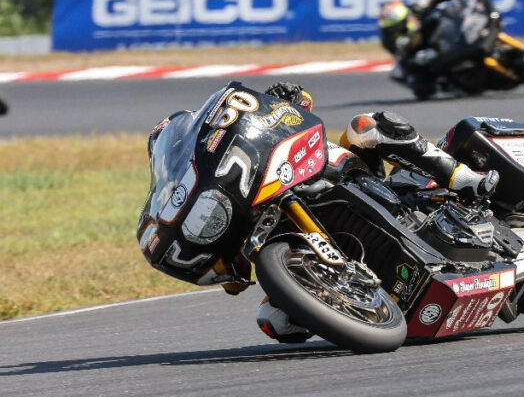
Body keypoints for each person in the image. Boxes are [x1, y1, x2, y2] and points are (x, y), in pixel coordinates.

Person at [146, 81, 499, 343]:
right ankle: (364, 301)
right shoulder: (197, 193)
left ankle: (463, 177)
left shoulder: (234, 136)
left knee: (368, 126)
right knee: (275, 321)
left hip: (347, 174)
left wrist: (288, 96)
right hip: (295, 236)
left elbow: (299, 108)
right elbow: (235, 280)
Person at [378, 0, 498, 98]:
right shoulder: (389, 41)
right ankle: (451, 85)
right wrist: (413, 58)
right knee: (421, 85)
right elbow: (403, 62)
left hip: (445, 34)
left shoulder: (417, 8)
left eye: (407, 18)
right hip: (426, 53)